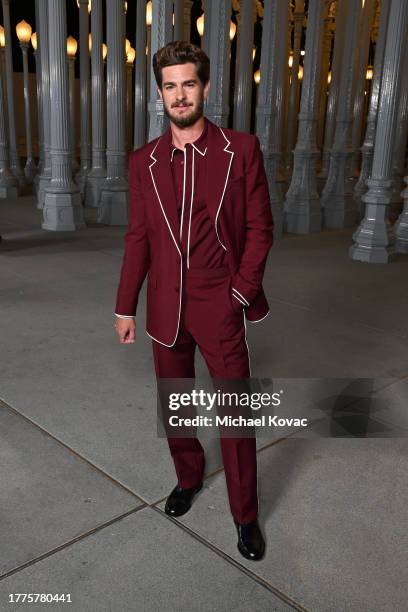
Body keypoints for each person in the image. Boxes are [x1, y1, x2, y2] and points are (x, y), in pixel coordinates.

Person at [114, 41, 273, 561]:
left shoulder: (241, 149)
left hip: (218, 298)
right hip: (165, 302)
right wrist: (125, 306)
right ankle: (187, 477)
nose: (179, 95)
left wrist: (240, 293)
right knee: (176, 403)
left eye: (188, 83)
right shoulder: (145, 161)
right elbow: (138, 236)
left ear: (205, 88)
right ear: (160, 94)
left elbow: (259, 228)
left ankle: (245, 515)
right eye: (169, 86)